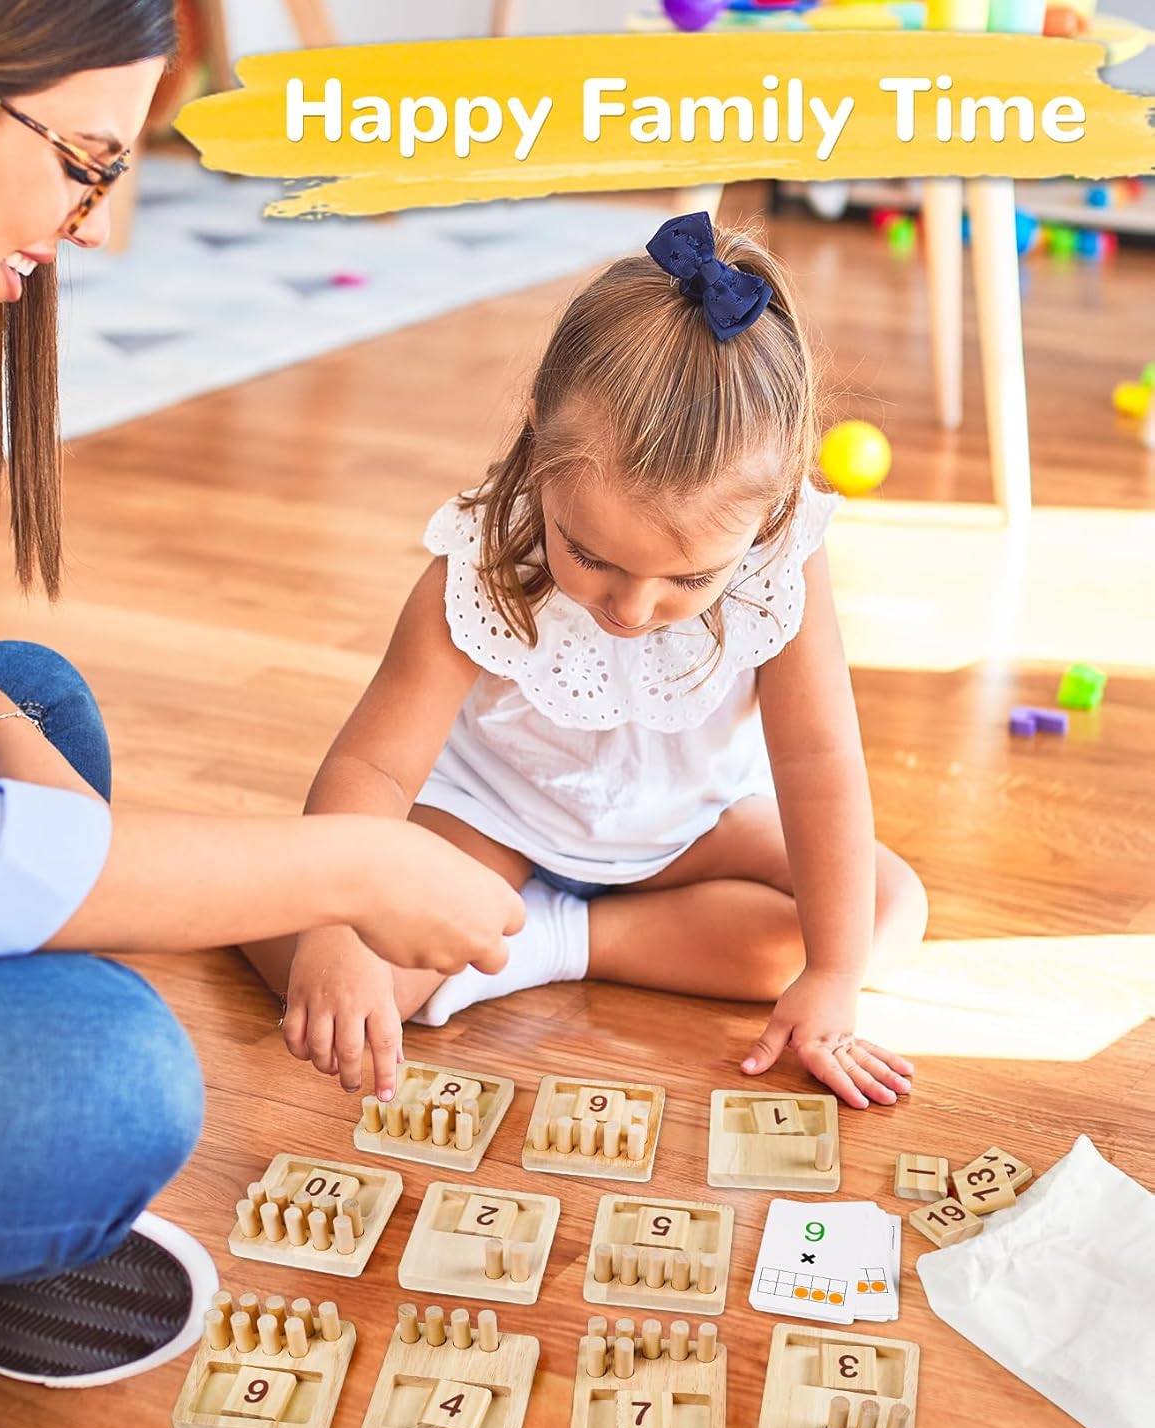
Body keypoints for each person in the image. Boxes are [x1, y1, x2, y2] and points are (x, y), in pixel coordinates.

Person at [0, 0, 523, 1389]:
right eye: (85, 161)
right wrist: (352, 862)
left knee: (31, 701)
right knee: (106, 1075)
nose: (93, 229)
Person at [248, 212, 928, 1112]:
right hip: (494, 824)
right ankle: (275, 879)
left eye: (688, 577)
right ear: (537, 442)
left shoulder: (782, 564)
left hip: (690, 833)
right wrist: (335, 933)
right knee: (338, 974)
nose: (633, 609)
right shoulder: (481, 563)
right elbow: (373, 767)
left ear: (764, 519)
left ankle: (551, 944)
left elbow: (819, 762)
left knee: (883, 913)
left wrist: (835, 974)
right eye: (594, 558)